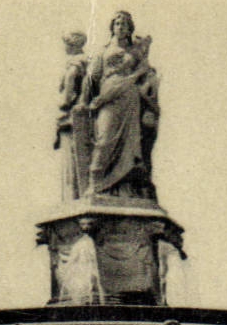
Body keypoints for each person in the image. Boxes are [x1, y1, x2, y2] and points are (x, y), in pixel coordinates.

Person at [80, 12, 159, 199]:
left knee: (130, 145)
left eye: (124, 24)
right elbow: (92, 78)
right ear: (112, 27)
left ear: (130, 28)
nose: (121, 27)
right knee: (104, 139)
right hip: (108, 97)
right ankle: (96, 183)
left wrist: (136, 75)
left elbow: (146, 73)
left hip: (130, 99)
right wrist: (84, 100)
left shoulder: (135, 53)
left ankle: (124, 187)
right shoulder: (103, 52)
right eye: (117, 23)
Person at [54, 30, 91, 200]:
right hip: (82, 116)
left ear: (73, 44)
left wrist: (65, 102)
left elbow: (69, 86)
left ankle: (72, 197)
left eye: (67, 43)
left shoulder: (76, 63)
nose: (64, 47)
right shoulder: (85, 61)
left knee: (71, 160)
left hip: (72, 117)